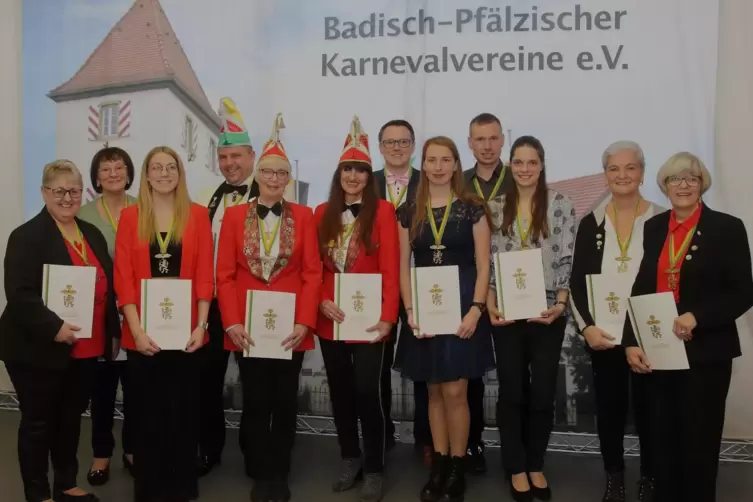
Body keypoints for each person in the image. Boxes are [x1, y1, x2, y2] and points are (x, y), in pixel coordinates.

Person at [623, 152, 753, 502]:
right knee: (663, 442)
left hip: (706, 353)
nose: (683, 185)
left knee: (698, 443)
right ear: (664, 185)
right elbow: (641, 287)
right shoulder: (653, 227)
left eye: (691, 179)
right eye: (675, 179)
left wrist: (698, 316)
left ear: (702, 184)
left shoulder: (727, 227)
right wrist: (630, 342)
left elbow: (744, 291)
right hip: (659, 352)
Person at [0, 160, 120, 502]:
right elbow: (20, 294)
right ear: (44, 192)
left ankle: (65, 484)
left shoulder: (91, 234)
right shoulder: (26, 236)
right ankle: (39, 495)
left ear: (83, 193)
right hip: (36, 348)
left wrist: (112, 332)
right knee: (39, 425)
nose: (67, 198)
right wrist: (55, 328)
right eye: (59, 191)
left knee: (69, 422)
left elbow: (106, 288)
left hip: (84, 348)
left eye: (74, 191)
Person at [216, 113, 321, 502]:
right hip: (248, 327)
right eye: (268, 172)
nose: (275, 179)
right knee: (256, 399)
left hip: (290, 327)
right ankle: (259, 466)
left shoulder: (305, 217)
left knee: (284, 399)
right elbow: (224, 275)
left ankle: (279, 469)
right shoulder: (232, 217)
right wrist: (230, 323)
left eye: (282, 173)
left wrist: (306, 322)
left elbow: (312, 274)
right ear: (257, 175)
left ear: (288, 178)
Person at [396, 136, 493, 502]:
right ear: (424, 165)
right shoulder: (408, 212)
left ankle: (457, 466)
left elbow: (484, 265)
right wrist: (409, 311)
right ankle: (438, 465)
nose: (438, 167)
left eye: (445, 160)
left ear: (456, 164)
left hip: (463, 309)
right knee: (434, 392)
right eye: (431, 160)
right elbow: (403, 267)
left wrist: (476, 309)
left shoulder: (473, 208)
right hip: (424, 309)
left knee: (456, 391)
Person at [114, 146, 214, 502]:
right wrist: (137, 331)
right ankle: (150, 487)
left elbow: (205, 276)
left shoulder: (198, 216)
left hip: (188, 335)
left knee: (184, 413)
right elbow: (123, 278)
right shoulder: (130, 218)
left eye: (170, 167)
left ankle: (181, 486)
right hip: (142, 335)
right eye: (156, 167)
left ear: (180, 173)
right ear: (146, 175)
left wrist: (201, 326)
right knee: (146, 415)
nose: (163, 173)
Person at [569, 141, 664, 501]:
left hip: (647, 334)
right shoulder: (590, 223)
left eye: (630, 168)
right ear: (605, 174)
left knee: (650, 411)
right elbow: (577, 282)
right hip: (605, 334)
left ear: (641, 172)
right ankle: (615, 478)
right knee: (609, 410)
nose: (622, 175)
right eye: (614, 169)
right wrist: (587, 327)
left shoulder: (661, 218)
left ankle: (651, 479)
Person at [314, 116, 400, 502]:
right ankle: (350, 457)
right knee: (340, 390)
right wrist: (319, 298)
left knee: (368, 391)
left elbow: (392, 267)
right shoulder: (320, 212)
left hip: (368, 317)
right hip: (330, 316)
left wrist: (388, 317)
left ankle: (376, 466)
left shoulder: (383, 211)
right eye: (347, 169)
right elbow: (311, 266)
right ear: (339, 173)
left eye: (360, 170)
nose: (353, 176)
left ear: (369, 176)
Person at [486, 136, 576, 502]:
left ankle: (536, 462)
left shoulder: (561, 205)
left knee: (541, 393)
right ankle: (516, 466)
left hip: (546, 313)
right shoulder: (493, 209)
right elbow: (488, 262)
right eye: (519, 162)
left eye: (532, 162)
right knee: (512, 392)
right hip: (507, 313)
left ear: (541, 165)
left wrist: (561, 302)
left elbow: (566, 257)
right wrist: (491, 303)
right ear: (510, 165)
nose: (525, 169)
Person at [197, 97, 260, 477]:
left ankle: (254, 452)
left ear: (252, 155)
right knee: (207, 381)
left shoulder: (271, 195)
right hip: (214, 306)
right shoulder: (208, 197)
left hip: (251, 305)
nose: (230, 164)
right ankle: (209, 448)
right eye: (224, 158)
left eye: (237, 156)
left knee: (254, 383)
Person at [77, 146, 137, 486]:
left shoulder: (143, 209)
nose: (113, 173)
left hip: (137, 315)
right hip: (100, 314)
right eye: (105, 169)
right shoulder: (83, 213)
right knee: (102, 390)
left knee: (137, 388)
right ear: (96, 177)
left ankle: (132, 451)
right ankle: (101, 454)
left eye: (119, 167)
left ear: (129, 172)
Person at [461, 112, 515, 474]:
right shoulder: (457, 182)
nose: (487, 145)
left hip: (515, 286)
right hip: (473, 287)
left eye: (493, 138)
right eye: (480, 139)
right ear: (469, 143)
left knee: (513, 374)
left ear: (502, 140)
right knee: (471, 373)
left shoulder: (520, 177)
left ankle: (517, 452)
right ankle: (472, 443)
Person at [372, 119, 419, 455]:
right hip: (377, 287)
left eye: (403, 141)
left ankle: (427, 439)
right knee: (378, 366)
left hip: (422, 284)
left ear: (414, 146)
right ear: (380, 147)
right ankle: (382, 431)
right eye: (390, 142)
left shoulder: (430, 181)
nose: (397, 147)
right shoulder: (365, 181)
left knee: (425, 366)